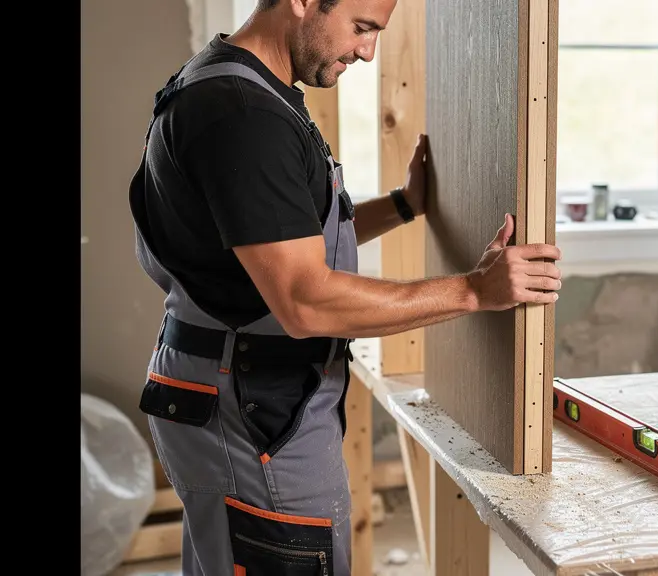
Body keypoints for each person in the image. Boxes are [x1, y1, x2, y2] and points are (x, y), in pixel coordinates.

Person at [127, 0, 562, 574]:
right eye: (361, 28)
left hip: (237, 389)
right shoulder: (243, 116)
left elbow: (282, 235)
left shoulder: (238, 83)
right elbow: (306, 299)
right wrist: (476, 291)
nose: (368, 50)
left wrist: (405, 206)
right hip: (254, 410)